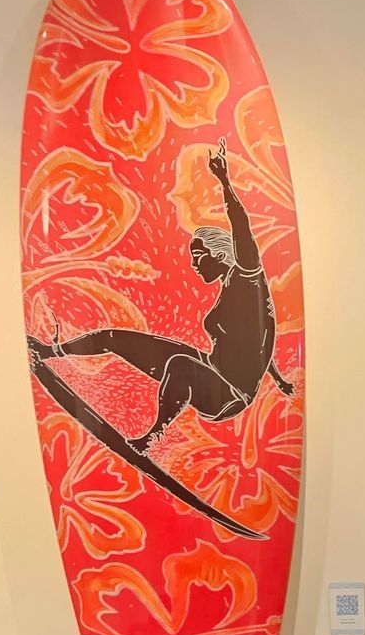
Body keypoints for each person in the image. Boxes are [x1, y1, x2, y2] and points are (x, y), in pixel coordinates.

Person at [30, 138, 293, 448]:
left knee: (181, 364)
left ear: (222, 255)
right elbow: (260, 338)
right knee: (118, 339)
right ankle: (50, 352)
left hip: (229, 394)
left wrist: (223, 181)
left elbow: (241, 227)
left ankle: (152, 438)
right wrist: (278, 379)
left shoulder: (248, 277)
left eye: (199, 256)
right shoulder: (239, 292)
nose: (194, 264)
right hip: (212, 371)